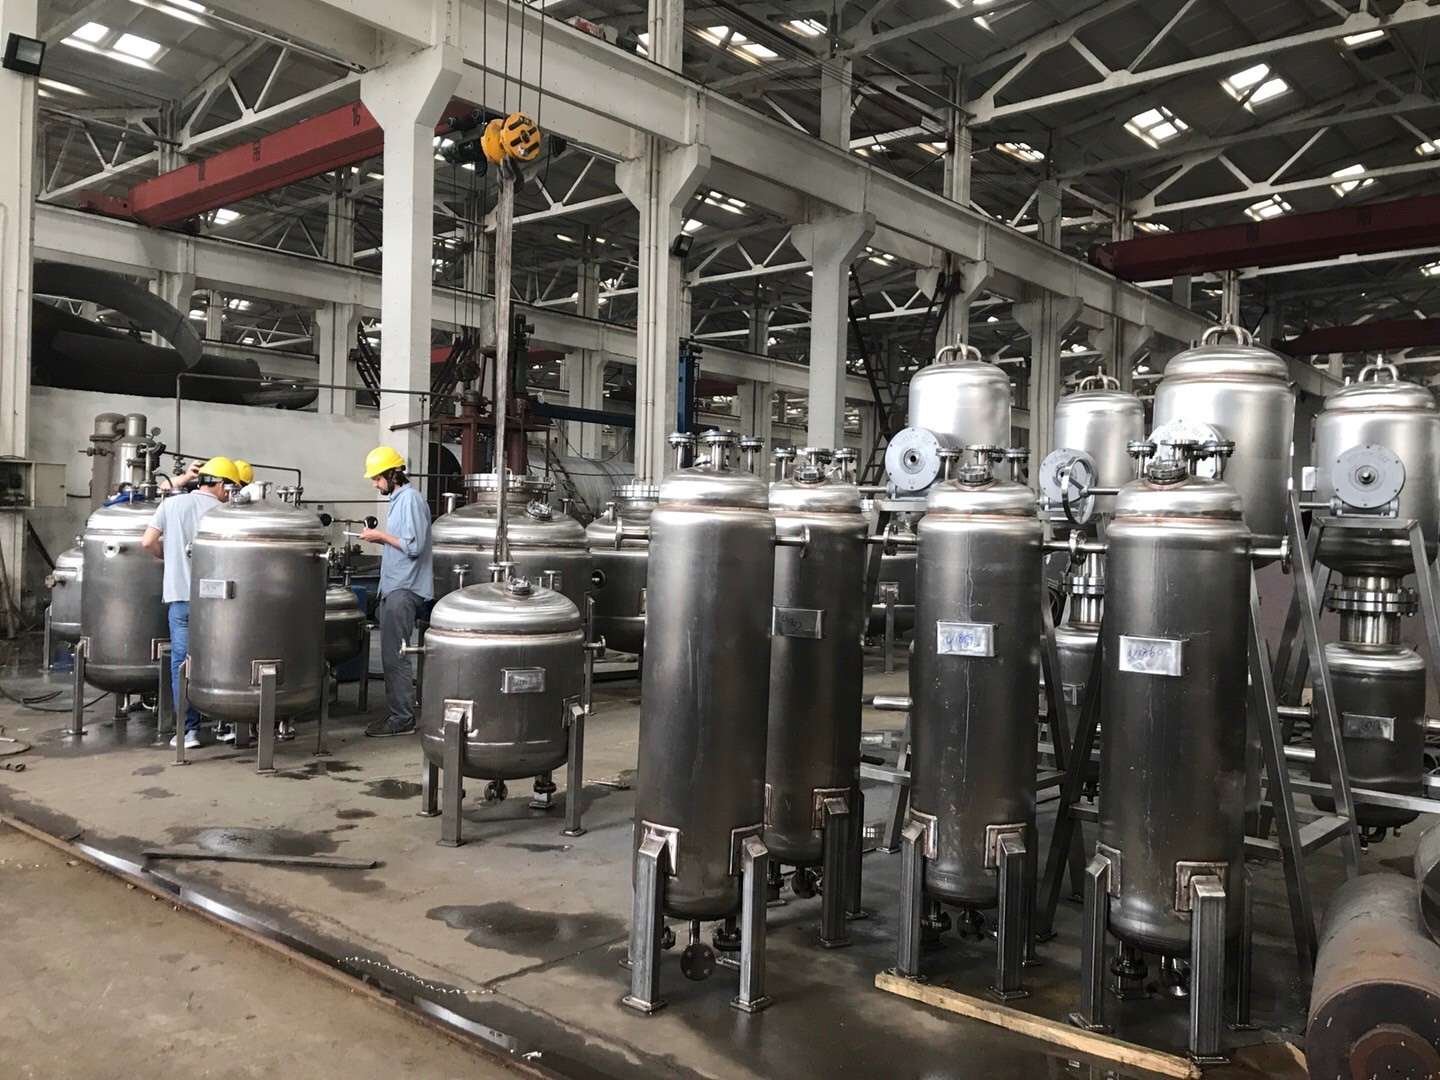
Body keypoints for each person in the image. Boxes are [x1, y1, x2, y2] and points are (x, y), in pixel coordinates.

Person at [141, 456, 240, 748]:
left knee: (183, 665)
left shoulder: (171, 505)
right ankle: (227, 724)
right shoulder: (226, 512)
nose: (229, 494)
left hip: (181, 599)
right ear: (221, 484)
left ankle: (189, 732)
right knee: (225, 661)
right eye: (230, 488)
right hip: (220, 603)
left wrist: (167, 555)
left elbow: (147, 541)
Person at [359, 446, 433, 737]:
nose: (374, 484)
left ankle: (402, 719)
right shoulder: (399, 500)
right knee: (392, 655)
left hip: (404, 588)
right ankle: (399, 715)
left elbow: (414, 547)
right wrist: (381, 540)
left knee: (395, 655)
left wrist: (380, 535)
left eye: (377, 478)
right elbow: (402, 542)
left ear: (393, 475)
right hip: (395, 586)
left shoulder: (410, 500)